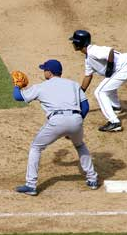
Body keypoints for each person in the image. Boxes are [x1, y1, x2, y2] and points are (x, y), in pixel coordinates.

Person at [13, 59, 99, 196]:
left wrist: (17, 86)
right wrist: (74, 125)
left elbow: (17, 97)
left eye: (44, 70)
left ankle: (31, 185)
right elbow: (85, 107)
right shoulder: (73, 84)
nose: (43, 72)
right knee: (79, 145)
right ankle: (92, 179)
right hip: (76, 119)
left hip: (57, 121)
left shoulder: (41, 86)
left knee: (36, 147)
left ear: (49, 72)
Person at [69, 30, 127, 132]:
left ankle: (114, 122)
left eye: (74, 41)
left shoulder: (92, 51)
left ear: (79, 43)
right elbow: (88, 76)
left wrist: (110, 67)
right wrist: (80, 95)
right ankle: (116, 107)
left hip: (125, 68)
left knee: (99, 92)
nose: (72, 43)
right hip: (125, 67)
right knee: (108, 85)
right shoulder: (88, 58)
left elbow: (110, 51)